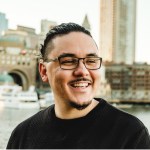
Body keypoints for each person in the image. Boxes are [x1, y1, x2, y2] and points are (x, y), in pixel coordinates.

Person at [7, 22, 150, 149]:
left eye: (91, 60)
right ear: (44, 70)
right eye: (68, 61)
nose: (83, 71)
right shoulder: (22, 136)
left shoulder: (131, 134)